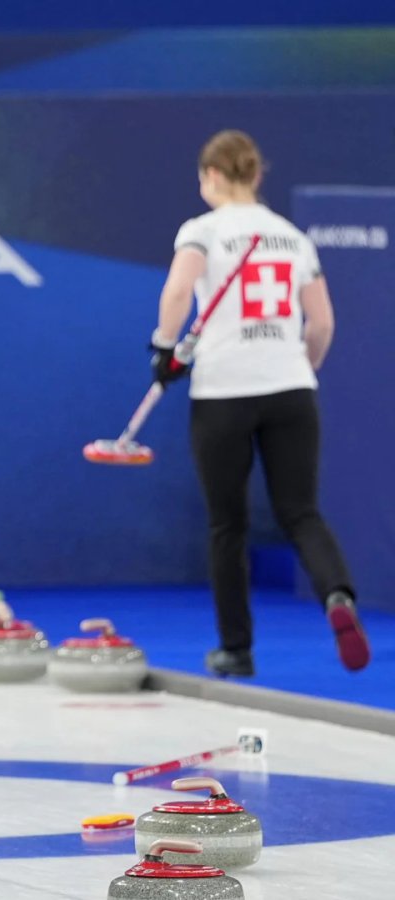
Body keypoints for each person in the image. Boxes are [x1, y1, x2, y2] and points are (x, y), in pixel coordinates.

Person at [149, 129, 370, 678]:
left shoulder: (201, 231)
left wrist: (162, 346)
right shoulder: (294, 237)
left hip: (223, 390)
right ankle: (339, 599)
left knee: (228, 524)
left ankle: (236, 649)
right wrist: (300, 370)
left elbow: (179, 292)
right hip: (290, 386)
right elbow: (322, 323)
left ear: (216, 176)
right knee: (301, 512)